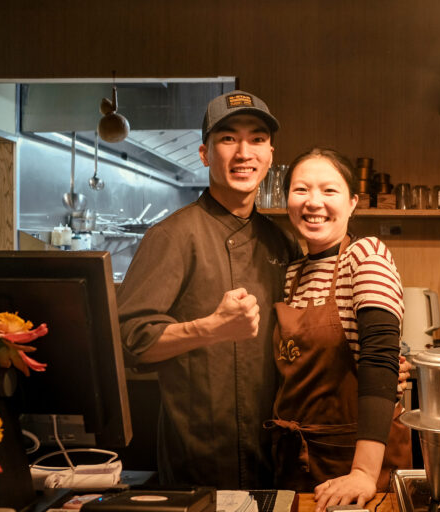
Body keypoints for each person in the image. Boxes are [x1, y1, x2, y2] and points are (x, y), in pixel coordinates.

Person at [117, 90, 301, 489]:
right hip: (198, 458)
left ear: (270, 155)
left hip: (273, 452)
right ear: (204, 154)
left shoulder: (281, 242)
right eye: (228, 138)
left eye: (256, 139)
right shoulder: (173, 235)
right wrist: (210, 329)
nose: (244, 153)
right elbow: (129, 339)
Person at [265, 147, 412, 510]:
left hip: (356, 460)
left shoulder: (366, 256)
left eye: (329, 190)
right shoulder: (291, 275)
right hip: (296, 460)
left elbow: (380, 360)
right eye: (301, 190)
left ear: (352, 203)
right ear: (287, 201)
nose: (314, 202)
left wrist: (363, 472)